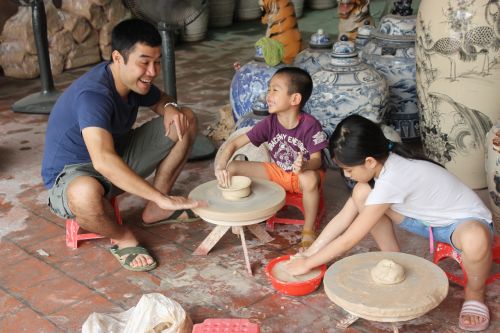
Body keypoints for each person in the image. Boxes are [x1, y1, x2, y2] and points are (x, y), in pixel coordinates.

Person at [286, 115, 494, 332]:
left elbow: (350, 238)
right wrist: (310, 254)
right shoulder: (384, 163)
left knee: (475, 238)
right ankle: (395, 259)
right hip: (422, 221)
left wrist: (308, 265)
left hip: (461, 224)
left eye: (348, 170)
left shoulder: (395, 176)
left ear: (369, 162)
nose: (346, 175)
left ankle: (475, 296)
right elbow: (343, 218)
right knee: (361, 194)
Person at [41, 19, 205, 272]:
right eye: (144, 62)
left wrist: (171, 108)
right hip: (73, 173)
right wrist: (162, 197)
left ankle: (154, 211)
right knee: (83, 193)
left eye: (157, 61)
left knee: (186, 119)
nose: (152, 71)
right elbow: (102, 161)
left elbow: (162, 99)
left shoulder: (135, 81)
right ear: (118, 58)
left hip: (116, 155)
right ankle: (123, 236)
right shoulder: (94, 95)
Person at [214, 67, 328, 248]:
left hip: (303, 176)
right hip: (279, 173)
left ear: (295, 99)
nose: (268, 95)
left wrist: (305, 165)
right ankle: (239, 216)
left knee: (309, 178)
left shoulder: (310, 125)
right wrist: (221, 166)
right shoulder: (269, 123)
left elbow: (317, 160)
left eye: (275, 90)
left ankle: (308, 230)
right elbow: (234, 144)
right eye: (268, 89)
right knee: (233, 167)